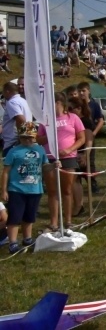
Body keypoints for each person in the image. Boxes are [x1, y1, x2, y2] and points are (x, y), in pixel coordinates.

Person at [37, 92, 84, 231]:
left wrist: (69, 149)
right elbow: (39, 139)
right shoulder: (45, 120)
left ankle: (68, 221)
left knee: (67, 190)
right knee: (52, 191)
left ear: (59, 103)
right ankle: (53, 223)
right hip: (50, 157)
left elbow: (81, 138)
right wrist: (49, 136)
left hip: (68, 158)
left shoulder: (73, 117)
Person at [1, 122, 48, 253]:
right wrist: (4, 190)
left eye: (30, 137)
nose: (28, 140)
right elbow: (6, 171)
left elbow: (45, 166)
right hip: (17, 189)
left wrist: (55, 166)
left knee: (30, 216)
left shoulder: (40, 150)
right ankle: (13, 243)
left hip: (35, 189)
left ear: (35, 137)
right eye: (24, 137)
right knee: (15, 217)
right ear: (20, 138)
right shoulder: (14, 151)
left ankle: (27, 238)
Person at [77, 82, 104, 194]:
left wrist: (94, 133)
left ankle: (92, 182)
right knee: (77, 160)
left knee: (89, 161)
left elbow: (101, 120)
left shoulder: (94, 105)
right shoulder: (77, 105)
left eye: (83, 90)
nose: (81, 93)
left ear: (88, 91)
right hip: (78, 137)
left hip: (89, 136)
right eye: (80, 91)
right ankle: (77, 182)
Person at [2, 82, 31, 157]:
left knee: (11, 167)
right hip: (26, 139)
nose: (3, 95)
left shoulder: (12, 102)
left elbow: (21, 119)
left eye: (3, 92)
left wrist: (21, 137)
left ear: (7, 91)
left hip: (14, 142)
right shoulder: (24, 101)